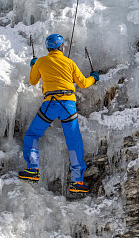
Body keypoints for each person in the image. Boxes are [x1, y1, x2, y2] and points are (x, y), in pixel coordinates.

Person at [18, 33, 99, 197]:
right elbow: (83, 83)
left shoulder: (41, 61)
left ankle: (33, 169)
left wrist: (33, 65)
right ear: (61, 47)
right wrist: (94, 78)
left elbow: (33, 81)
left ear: (49, 48)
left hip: (50, 103)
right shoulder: (69, 62)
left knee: (33, 134)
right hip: (68, 104)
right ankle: (77, 182)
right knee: (74, 142)